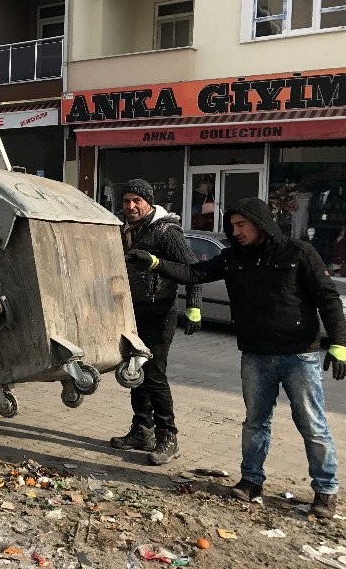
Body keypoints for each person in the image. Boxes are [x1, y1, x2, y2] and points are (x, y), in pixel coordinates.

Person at [127, 197, 346, 519]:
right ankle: (251, 480)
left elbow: (328, 297)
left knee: (312, 425)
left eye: (241, 225)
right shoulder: (233, 258)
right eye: (232, 227)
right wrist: (156, 264)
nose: (236, 232)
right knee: (256, 423)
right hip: (256, 355)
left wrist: (339, 343)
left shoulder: (298, 253)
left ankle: (325, 491)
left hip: (298, 355)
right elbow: (193, 273)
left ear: (260, 223)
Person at [111, 179, 202, 465]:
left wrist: (194, 306)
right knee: (135, 372)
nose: (131, 206)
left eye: (137, 200)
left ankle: (168, 437)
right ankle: (142, 431)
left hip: (159, 314)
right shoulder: (123, 229)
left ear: (148, 201)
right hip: (131, 313)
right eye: (126, 200)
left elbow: (191, 270)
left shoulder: (166, 231)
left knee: (154, 375)